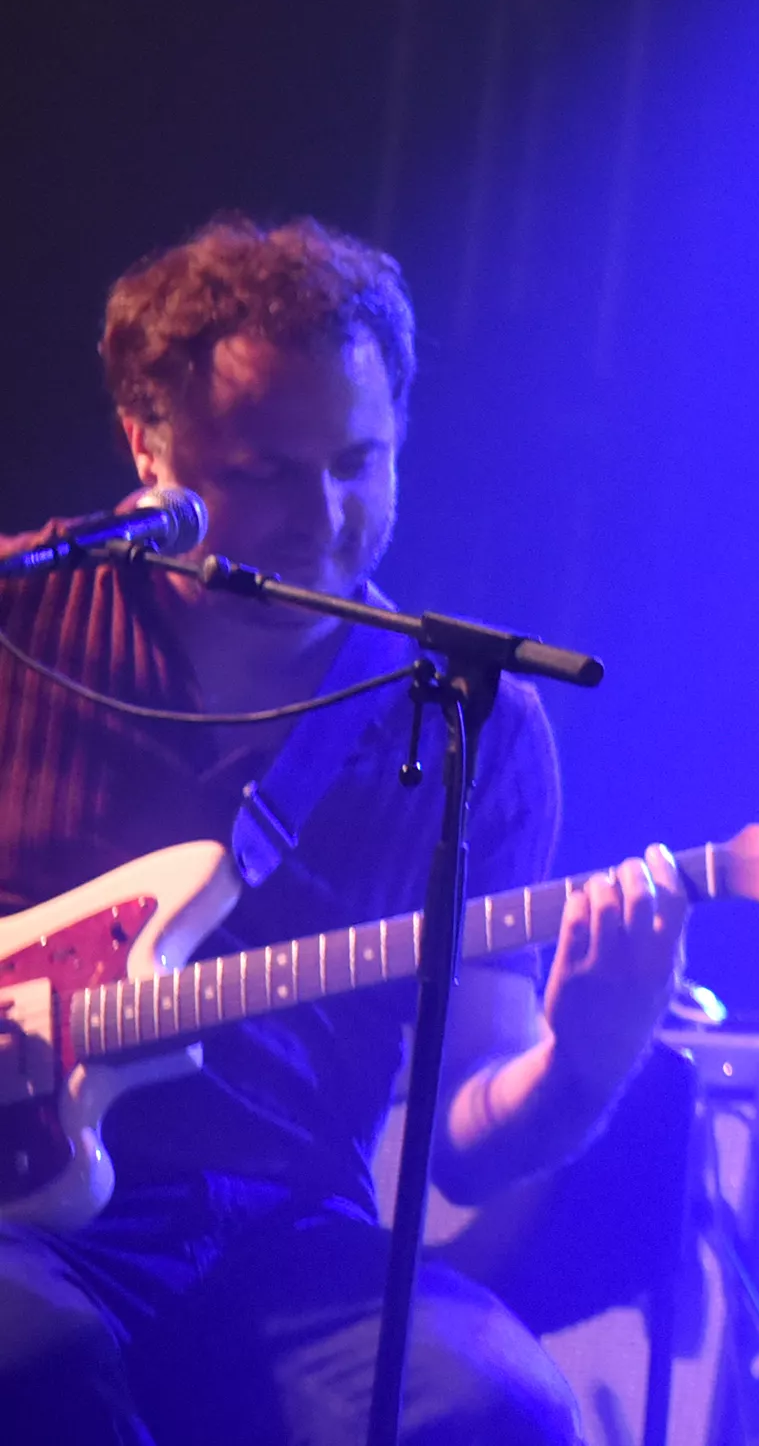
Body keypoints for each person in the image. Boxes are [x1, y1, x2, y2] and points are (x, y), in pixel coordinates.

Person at [0, 217, 688, 1446]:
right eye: (265, 470)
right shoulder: (21, 631)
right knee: (34, 1360)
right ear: (147, 442)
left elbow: (466, 1144)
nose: (320, 518)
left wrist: (581, 1065)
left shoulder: (470, 720)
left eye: (358, 463)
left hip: (280, 1238)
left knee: (499, 1408)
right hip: (18, 1228)